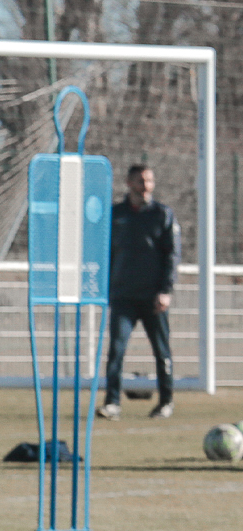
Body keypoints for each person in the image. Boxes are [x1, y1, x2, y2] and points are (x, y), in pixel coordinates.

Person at [99, 163, 181, 420]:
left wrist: (165, 290)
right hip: (123, 296)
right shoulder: (115, 215)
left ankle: (166, 402)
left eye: (149, 181)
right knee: (116, 350)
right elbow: (105, 253)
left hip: (153, 297)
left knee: (161, 351)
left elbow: (172, 256)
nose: (146, 186)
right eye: (140, 181)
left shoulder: (162, 214)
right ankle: (112, 403)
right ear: (129, 183)